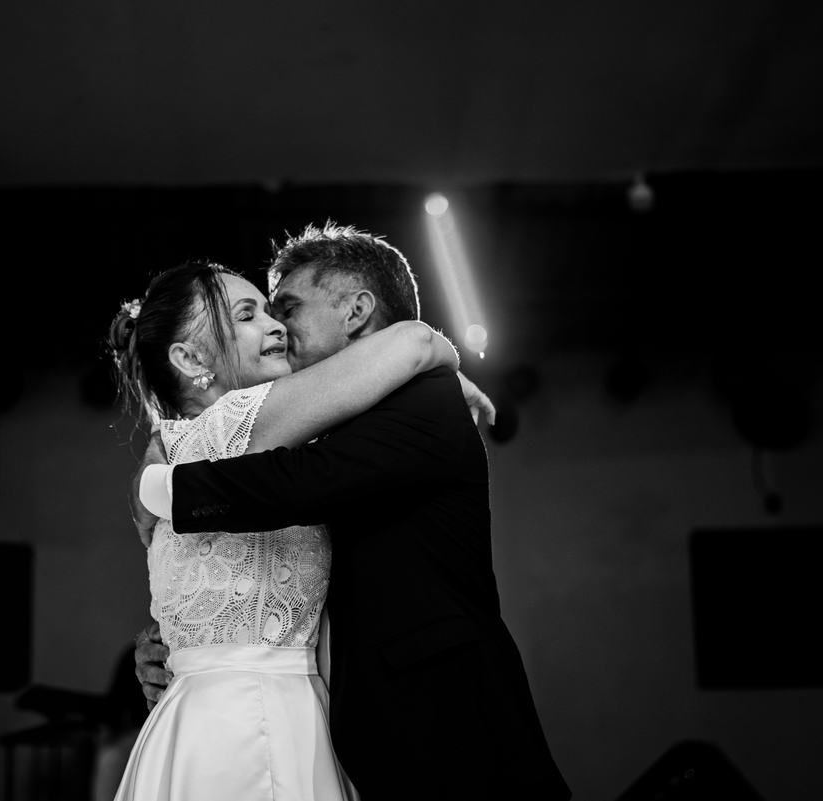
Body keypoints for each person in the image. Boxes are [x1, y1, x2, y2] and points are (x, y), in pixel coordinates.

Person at [132, 223, 572, 799]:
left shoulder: (423, 401)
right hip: (318, 733)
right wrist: (185, 644)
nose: (277, 326)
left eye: (287, 308)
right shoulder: (298, 427)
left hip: (451, 732)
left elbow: (292, 485)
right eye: (256, 314)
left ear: (357, 312)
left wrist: (158, 486)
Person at [106, 257, 475, 801]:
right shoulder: (235, 421)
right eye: (248, 315)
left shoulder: (203, 445)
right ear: (190, 358)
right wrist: (449, 366)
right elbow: (416, 342)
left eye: (276, 310)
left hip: (278, 713)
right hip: (244, 723)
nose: (275, 325)